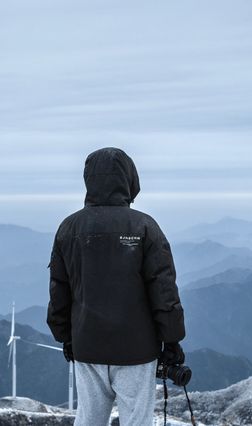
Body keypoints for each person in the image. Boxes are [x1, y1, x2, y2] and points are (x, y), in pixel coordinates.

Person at [46, 147, 186, 426]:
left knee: (89, 419)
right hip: (137, 350)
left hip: (87, 346)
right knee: (137, 421)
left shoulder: (68, 228)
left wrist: (65, 336)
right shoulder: (146, 227)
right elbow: (163, 290)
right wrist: (172, 340)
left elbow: (59, 289)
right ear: (130, 179)